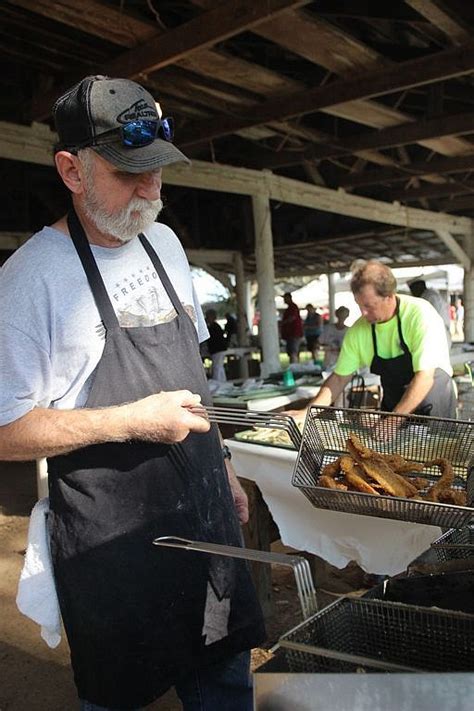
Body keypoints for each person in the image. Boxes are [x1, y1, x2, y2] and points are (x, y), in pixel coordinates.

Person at [0, 75, 264, 710]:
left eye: (158, 171)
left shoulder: (166, 245)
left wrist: (221, 464)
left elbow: (191, 374)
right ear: (71, 169)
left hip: (203, 515)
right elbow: (4, 432)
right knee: (120, 693)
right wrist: (132, 422)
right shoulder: (31, 279)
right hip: (111, 543)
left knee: (225, 677)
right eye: (128, 173)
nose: (150, 190)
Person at [307, 261, 456, 419]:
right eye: (359, 305)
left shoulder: (420, 315)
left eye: (369, 306)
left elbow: (425, 377)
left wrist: (393, 420)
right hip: (394, 405)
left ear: (390, 296)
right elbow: (339, 378)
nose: (363, 313)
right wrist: (308, 413)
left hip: (432, 404)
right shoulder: (359, 330)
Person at [407, 277, 451, 348]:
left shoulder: (430, 297)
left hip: (438, 336)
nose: (412, 293)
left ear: (419, 287)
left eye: (413, 290)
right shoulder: (427, 296)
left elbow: (429, 319)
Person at [318, 305, 350, 371]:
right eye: (340, 314)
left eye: (344, 315)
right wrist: (326, 347)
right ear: (336, 315)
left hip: (343, 363)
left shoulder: (349, 331)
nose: (342, 317)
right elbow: (317, 344)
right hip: (328, 363)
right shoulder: (328, 329)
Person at [205, 308, 228, 381]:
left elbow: (213, 339)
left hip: (217, 349)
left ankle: (218, 382)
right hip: (218, 349)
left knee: (217, 367)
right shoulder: (214, 326)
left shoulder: (214, 327)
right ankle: (221, 381)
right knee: (219, 366)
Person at [280, 292, 304, 364]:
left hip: (294, 333)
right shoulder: (289, 308)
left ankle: (295, 365)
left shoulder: (293, 307)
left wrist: (284, 322)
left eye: (285, 298)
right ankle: (293, 364)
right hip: (290, 334)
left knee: (293, 351)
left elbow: (292, 318)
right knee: (291, 351)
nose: (284, 300)